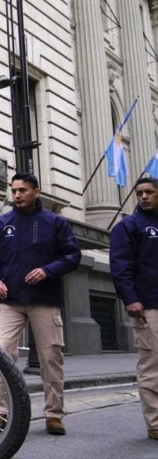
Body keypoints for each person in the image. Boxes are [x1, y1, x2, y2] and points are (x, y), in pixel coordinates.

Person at [0, 172, 81, 436]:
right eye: (14, 191)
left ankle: (54, 415)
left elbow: (72, 256)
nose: (17, 195)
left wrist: (47, 270)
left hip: (44, 300)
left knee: (51, 357)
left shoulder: (55, 222)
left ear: (37, 191)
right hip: (9, 300)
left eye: (22, 190)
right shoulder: (1, 223)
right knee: (1, 353)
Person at [109, 176, 158, 441]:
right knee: (153, 366)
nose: (144, 197)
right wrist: (130, 298)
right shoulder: (128, 227)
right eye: (140, 193)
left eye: (149, 192)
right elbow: (120, 266)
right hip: (147, 307)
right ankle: (155, 423)